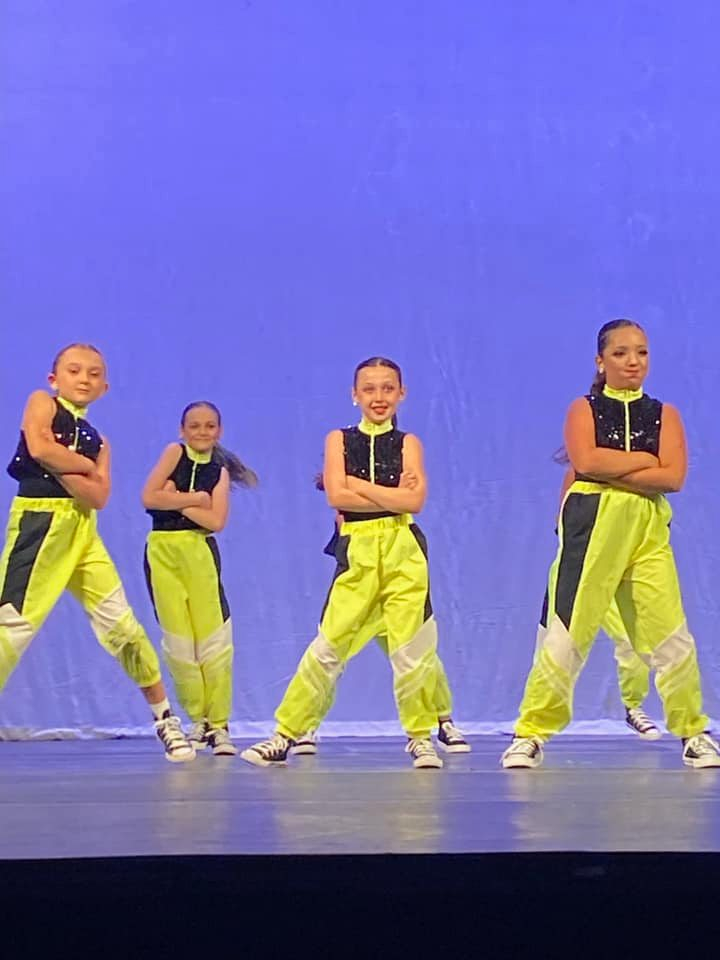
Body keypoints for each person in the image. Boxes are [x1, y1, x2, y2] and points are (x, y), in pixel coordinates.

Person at [502, 319, 720, 769]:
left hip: (648, 530)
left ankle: (693, 731)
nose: (633, 361)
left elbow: (673, 477)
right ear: (601, 361)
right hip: (591, 525)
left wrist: (614, 467)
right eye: (621, 353)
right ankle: (531, 732)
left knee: (670, 632)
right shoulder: (584, 409)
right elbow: (586, 461)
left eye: (641, 352)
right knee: (568, 630)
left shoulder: (665, 414)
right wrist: (644, 460)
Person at [241, 356, 445, 769]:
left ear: (402, 393)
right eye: (369, 389)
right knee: (328, 645)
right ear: (355, 395)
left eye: (388, 388)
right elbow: (336, 496)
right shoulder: (338, 439)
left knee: (411, 650)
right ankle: (286, 732)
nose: (379, 397)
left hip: (403, 547)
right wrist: (384, 493)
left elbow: (414, 501)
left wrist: (356, 484)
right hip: (358, 549)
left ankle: (420, 737)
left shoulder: (409, 443)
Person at [0, 343, 195, 761]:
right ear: (54, 378)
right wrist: (81, 467)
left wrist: (72, 466)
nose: (84, 379)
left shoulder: (99, 442)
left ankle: (164, 718)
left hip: (83, 533)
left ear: (105, 387)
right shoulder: (42, 403)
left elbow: (98, 496)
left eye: (94, 373)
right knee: (10, 625)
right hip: (41, 525)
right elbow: (39, 448)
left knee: (122, 627)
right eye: (74, 371)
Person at [291, 514, 470, 755]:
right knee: (329, 651)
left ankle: (443, 721)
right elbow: (340, 501)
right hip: (360, 563)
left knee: (418, 654)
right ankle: (305, 725)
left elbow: (410, 501)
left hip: (398, 565)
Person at [142, 401, 257, 756]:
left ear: (219, 431)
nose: (202, 432)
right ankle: (197, 721)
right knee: (179, 644)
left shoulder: (218, 471)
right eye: (194, 426)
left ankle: (219, 724)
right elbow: (149, 497)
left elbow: (216, 521)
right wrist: (197, 499)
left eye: (209, 426)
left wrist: (174, 499)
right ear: (182, 430)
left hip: (199, 554)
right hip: (162, 553)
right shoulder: (174, 453)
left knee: (213, 642)